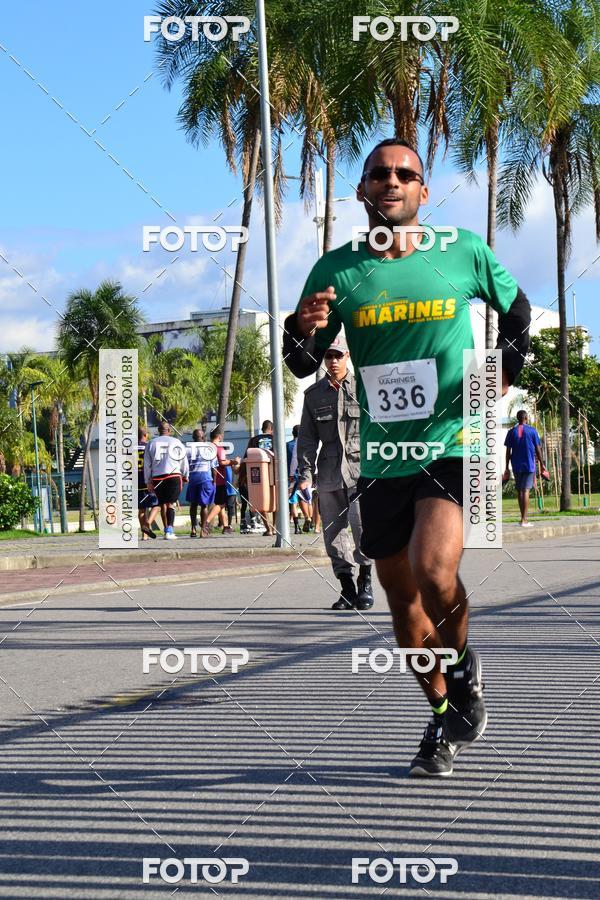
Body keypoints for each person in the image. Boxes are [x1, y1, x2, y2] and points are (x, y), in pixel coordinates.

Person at [283, 137, 531, 777]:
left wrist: (508, 361)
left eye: (406, 174)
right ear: (363, 191)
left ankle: (465, 662)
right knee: (400, 602)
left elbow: (519, 310)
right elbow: (304, 362)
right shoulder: (336, 271)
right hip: (383, 455)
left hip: (449, 443)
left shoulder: (462, 252)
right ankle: (445, 715)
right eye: (379, 175)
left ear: (423, 191)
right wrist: (299, 330)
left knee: (432, 567)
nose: (392, 182)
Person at [297, 334, 374, 611]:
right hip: (329, 471)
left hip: (361, 469)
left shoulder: (365, 388)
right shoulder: (313, 395)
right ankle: (347, 588)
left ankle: (366, 581)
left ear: (347, 357)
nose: (332, 361)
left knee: (362, 526)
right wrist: (304, 474)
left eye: (337, 355)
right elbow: (306, 438)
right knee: (333, 533)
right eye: (328, 356)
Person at [144, 421, 189, 540]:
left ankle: (166, 530)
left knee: (163, 503)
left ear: (158, 431)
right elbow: (183, 460)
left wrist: (148, 481)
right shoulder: (176, 442)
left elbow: (147, 465)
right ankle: (169, 530)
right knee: (171, 504)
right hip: (173, 475)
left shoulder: (151, 443)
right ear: (169, 431)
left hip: (157, 477)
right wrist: (185, 475)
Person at [504, 411, 548, 527]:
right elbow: (538, 449)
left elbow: (508, 452)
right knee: (526, 491)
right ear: (526, 418)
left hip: (516, 465)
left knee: (520, 491)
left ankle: (522, 519)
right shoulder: (532, 431)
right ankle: (524, 520)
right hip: (529, 464)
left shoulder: (511, 432)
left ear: (518, 418)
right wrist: (542, 464)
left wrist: (506, 467)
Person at [203, 428, 240, 536]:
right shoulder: (219, 448)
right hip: (219, 480)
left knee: (221, 504)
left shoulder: (207, 448)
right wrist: (234, 461)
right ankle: (207, 522)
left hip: (207, 478)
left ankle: (226, 526)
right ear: (219, 436)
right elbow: (222, 462)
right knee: (221, 504)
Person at [245, 420, 275, 535]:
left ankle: (269, 529)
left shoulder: (254, 440)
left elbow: (246, 457)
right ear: (271, 429)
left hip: (258, 475)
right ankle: (275, 527)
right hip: (274, 474)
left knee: (260, 500)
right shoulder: (275, 439)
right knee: (275, 500)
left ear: (262, 428)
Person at [186, 428, 217, 537]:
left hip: (193, 478)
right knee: (204, 505)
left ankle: (193, 529)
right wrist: (214, 481)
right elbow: (214, 467)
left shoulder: (187, 448)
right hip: (205, 478)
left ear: (193, 438)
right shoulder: (209, 448)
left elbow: (185, 465)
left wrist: (186, 477)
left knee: (193, 505)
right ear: (203, 437)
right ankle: (203, 530)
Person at [287, 424, 312, 534]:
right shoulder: (307, 443)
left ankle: (297, 527)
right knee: (306, 499)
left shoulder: (287, 445)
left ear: (293, 433)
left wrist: (291, 474)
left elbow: (291, 461)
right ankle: (308, 518)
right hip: (305, 475)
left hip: (291, 476)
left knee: (293, 501)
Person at [137, 426, 160, 540]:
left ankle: (144, 535)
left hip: (135, 481)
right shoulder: (149, 447)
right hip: (149, 480)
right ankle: (147, 525)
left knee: (141, 509)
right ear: (146, 435)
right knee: (157, 505)